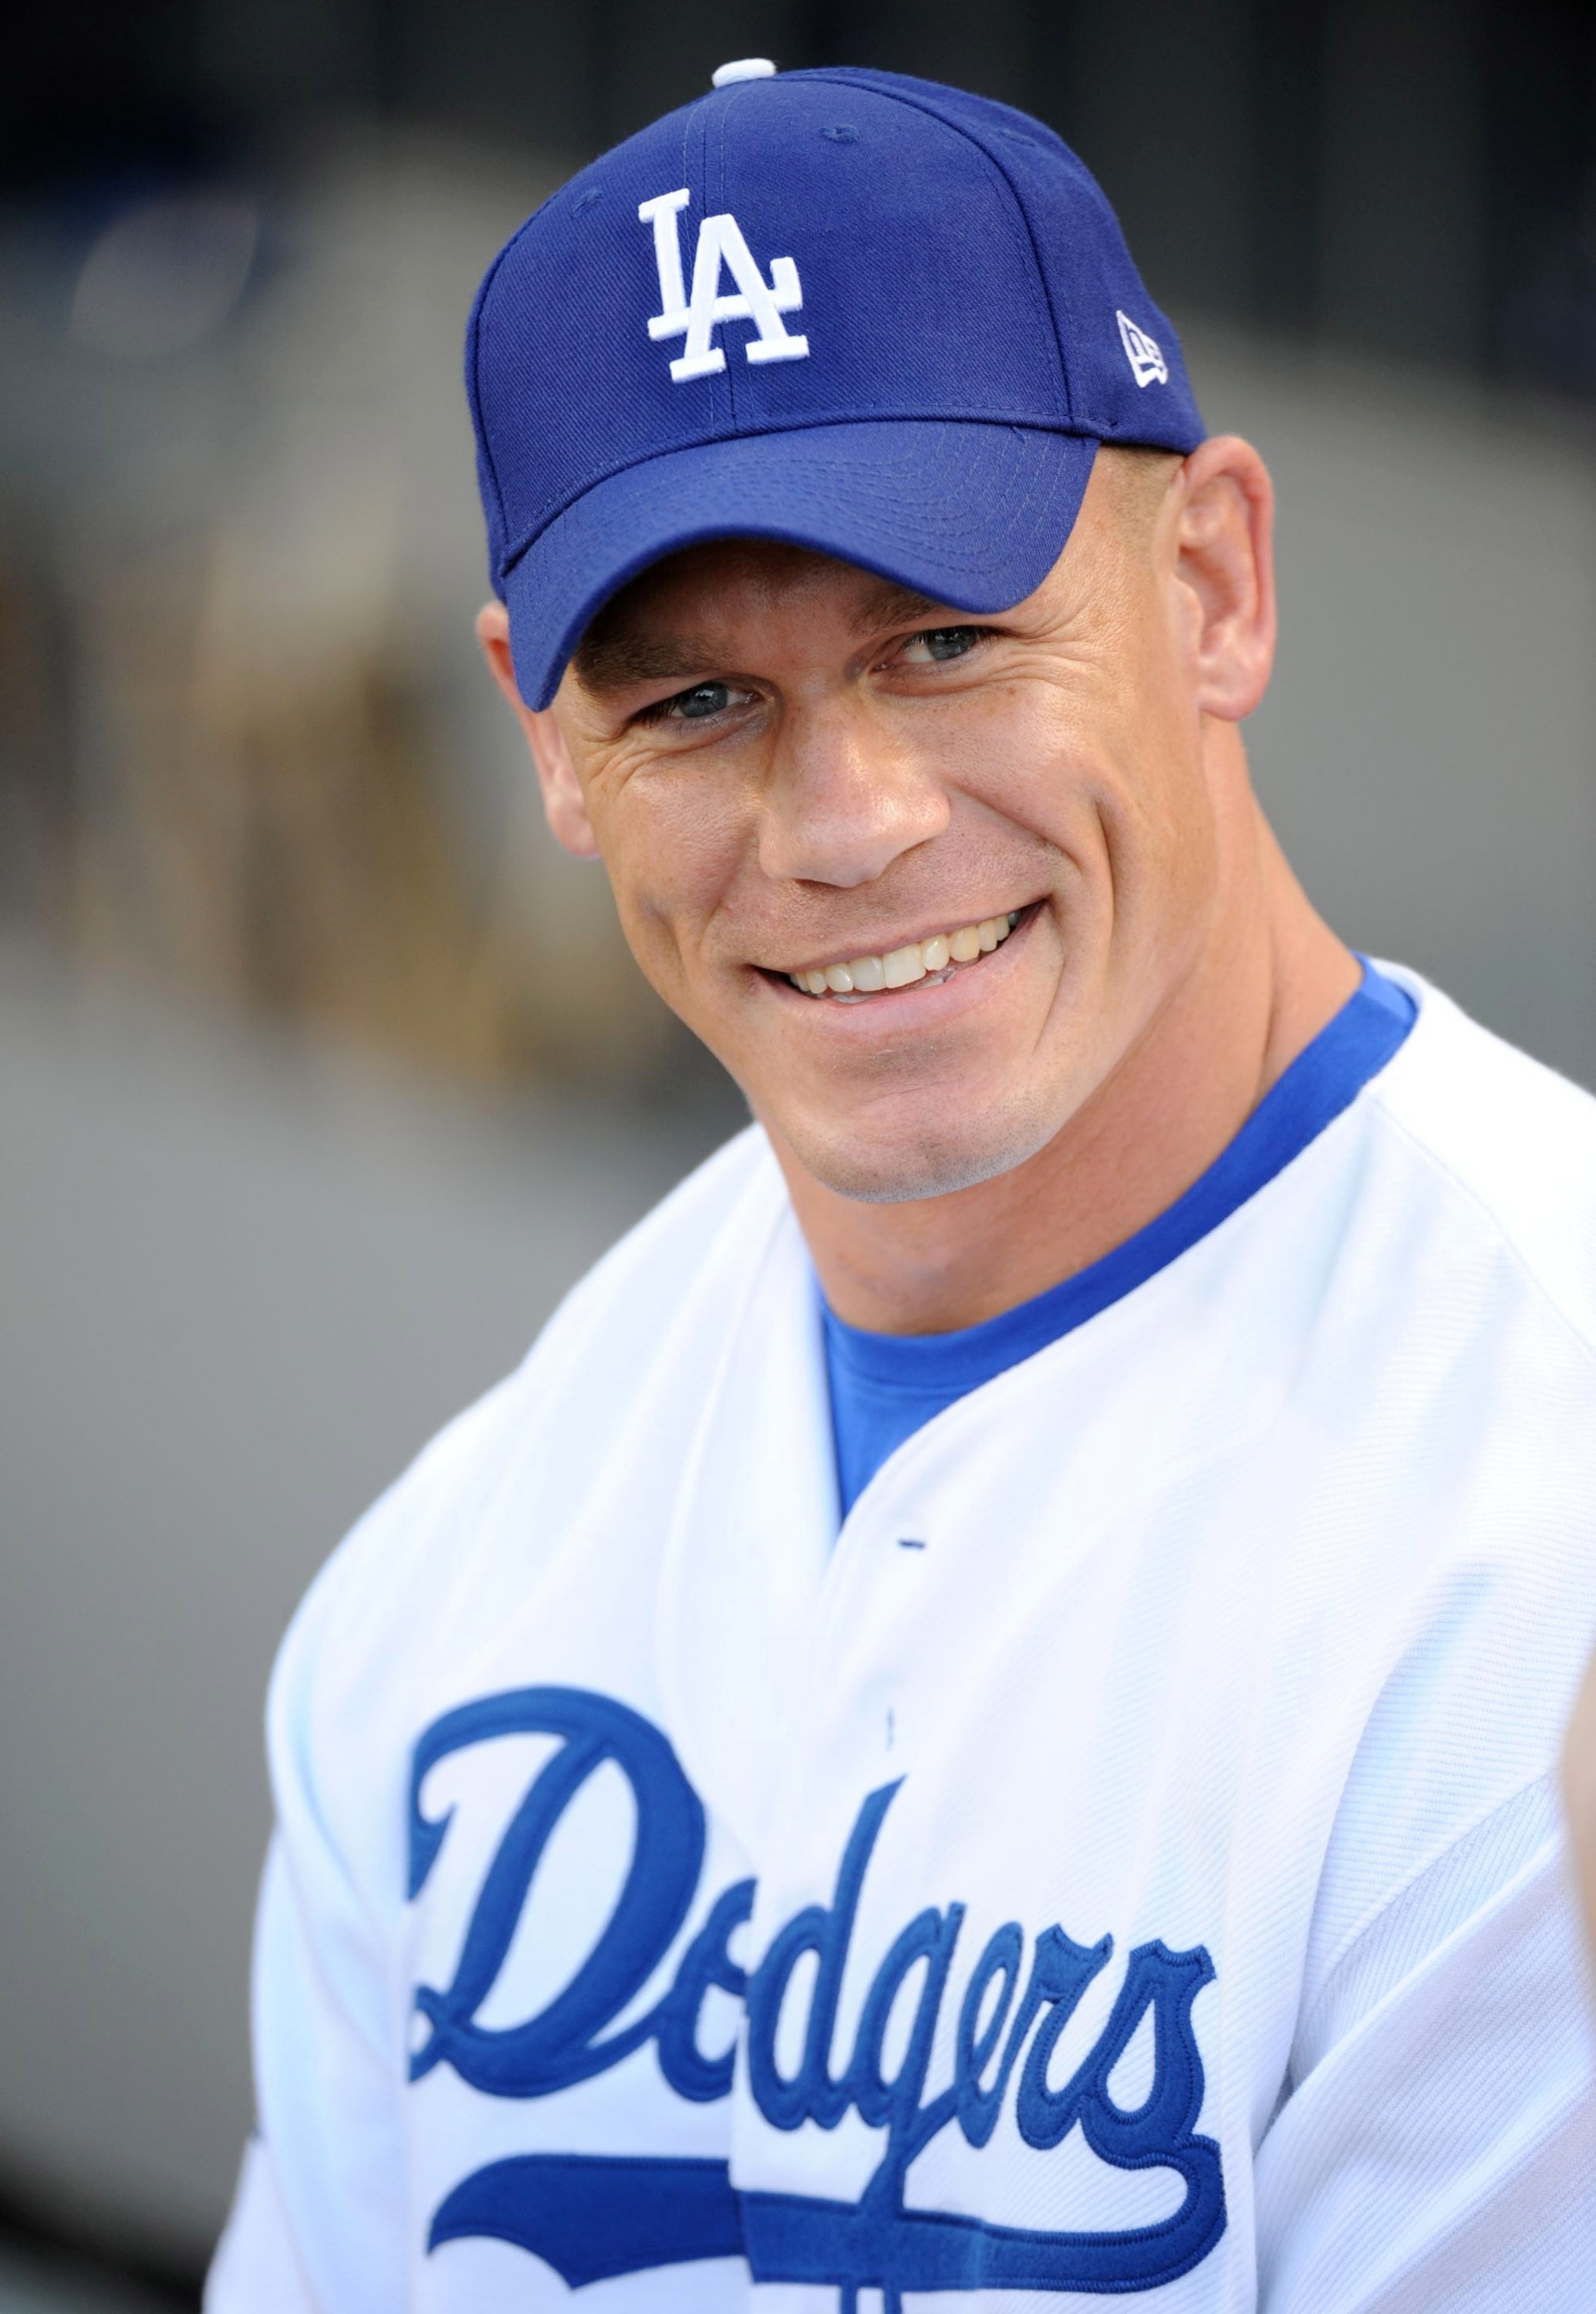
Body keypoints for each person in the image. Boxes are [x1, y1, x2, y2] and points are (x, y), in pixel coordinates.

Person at [206, 62, 1596, 2313]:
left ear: (1217, 585)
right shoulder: (449, 1587)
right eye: (691, 708)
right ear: (545, 740)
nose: (843, 822)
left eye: (945, 644)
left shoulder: (1549, 1519)